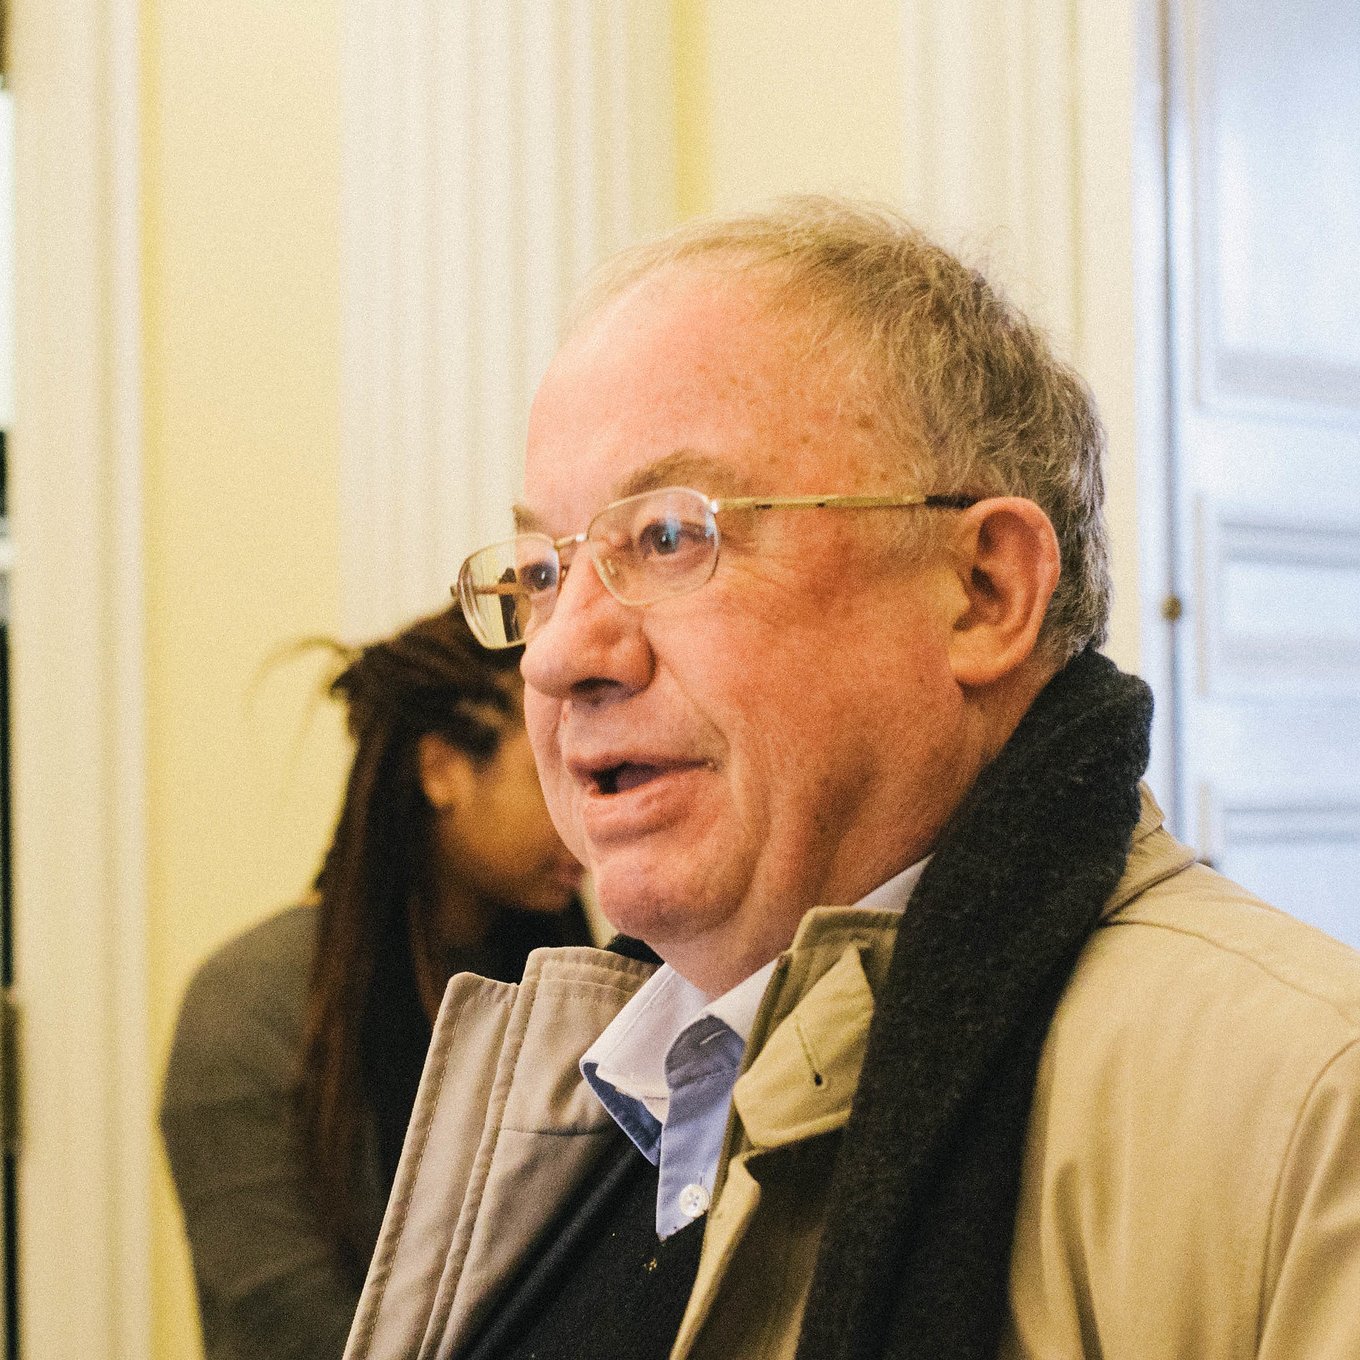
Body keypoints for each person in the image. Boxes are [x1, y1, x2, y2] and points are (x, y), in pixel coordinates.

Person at [343, 199, 1360, 1360]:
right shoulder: (595, 1094)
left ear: (981, 590)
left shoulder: (1310, 1111)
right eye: (539, 568)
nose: (565, 652)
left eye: (671, 537)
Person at [160, 605, 589, 1360]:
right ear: (441, 770)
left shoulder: (576, 982)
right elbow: (291, 1322)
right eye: (549, 771)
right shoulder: (249, 1010)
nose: (584, 812)